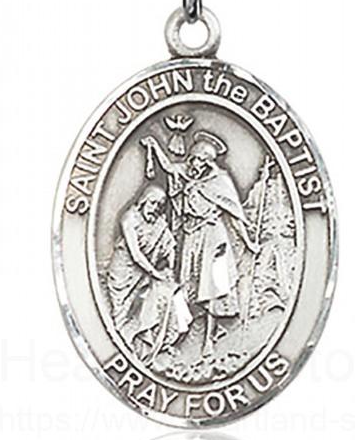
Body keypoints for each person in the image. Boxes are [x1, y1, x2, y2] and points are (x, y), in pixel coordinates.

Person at [141, 132, 258, 356]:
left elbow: (234, 215)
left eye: (200, 161)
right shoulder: (187, 173)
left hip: (213, 236)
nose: (194, 164)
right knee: (187, 282)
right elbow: (168, 167)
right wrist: (154, 146)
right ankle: (182, 331)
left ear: (209, 163)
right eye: (193, 159)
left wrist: (248, 242)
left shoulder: (220, 182)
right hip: (190, 235)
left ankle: (209, 340)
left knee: (212, 286)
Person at [107, 185, 193, 366]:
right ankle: (125, 346)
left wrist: (169, 267)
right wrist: (156, 273)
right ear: (143, 201)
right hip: (124, 272)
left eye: (159, 205)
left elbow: (170, 245)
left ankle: (158, 341)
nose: (155, 208)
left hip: (146, 273)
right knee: (122, 313)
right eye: (152, 203)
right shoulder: (129, 219)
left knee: (161, 298)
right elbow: (136, 255)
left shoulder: (158, 223)